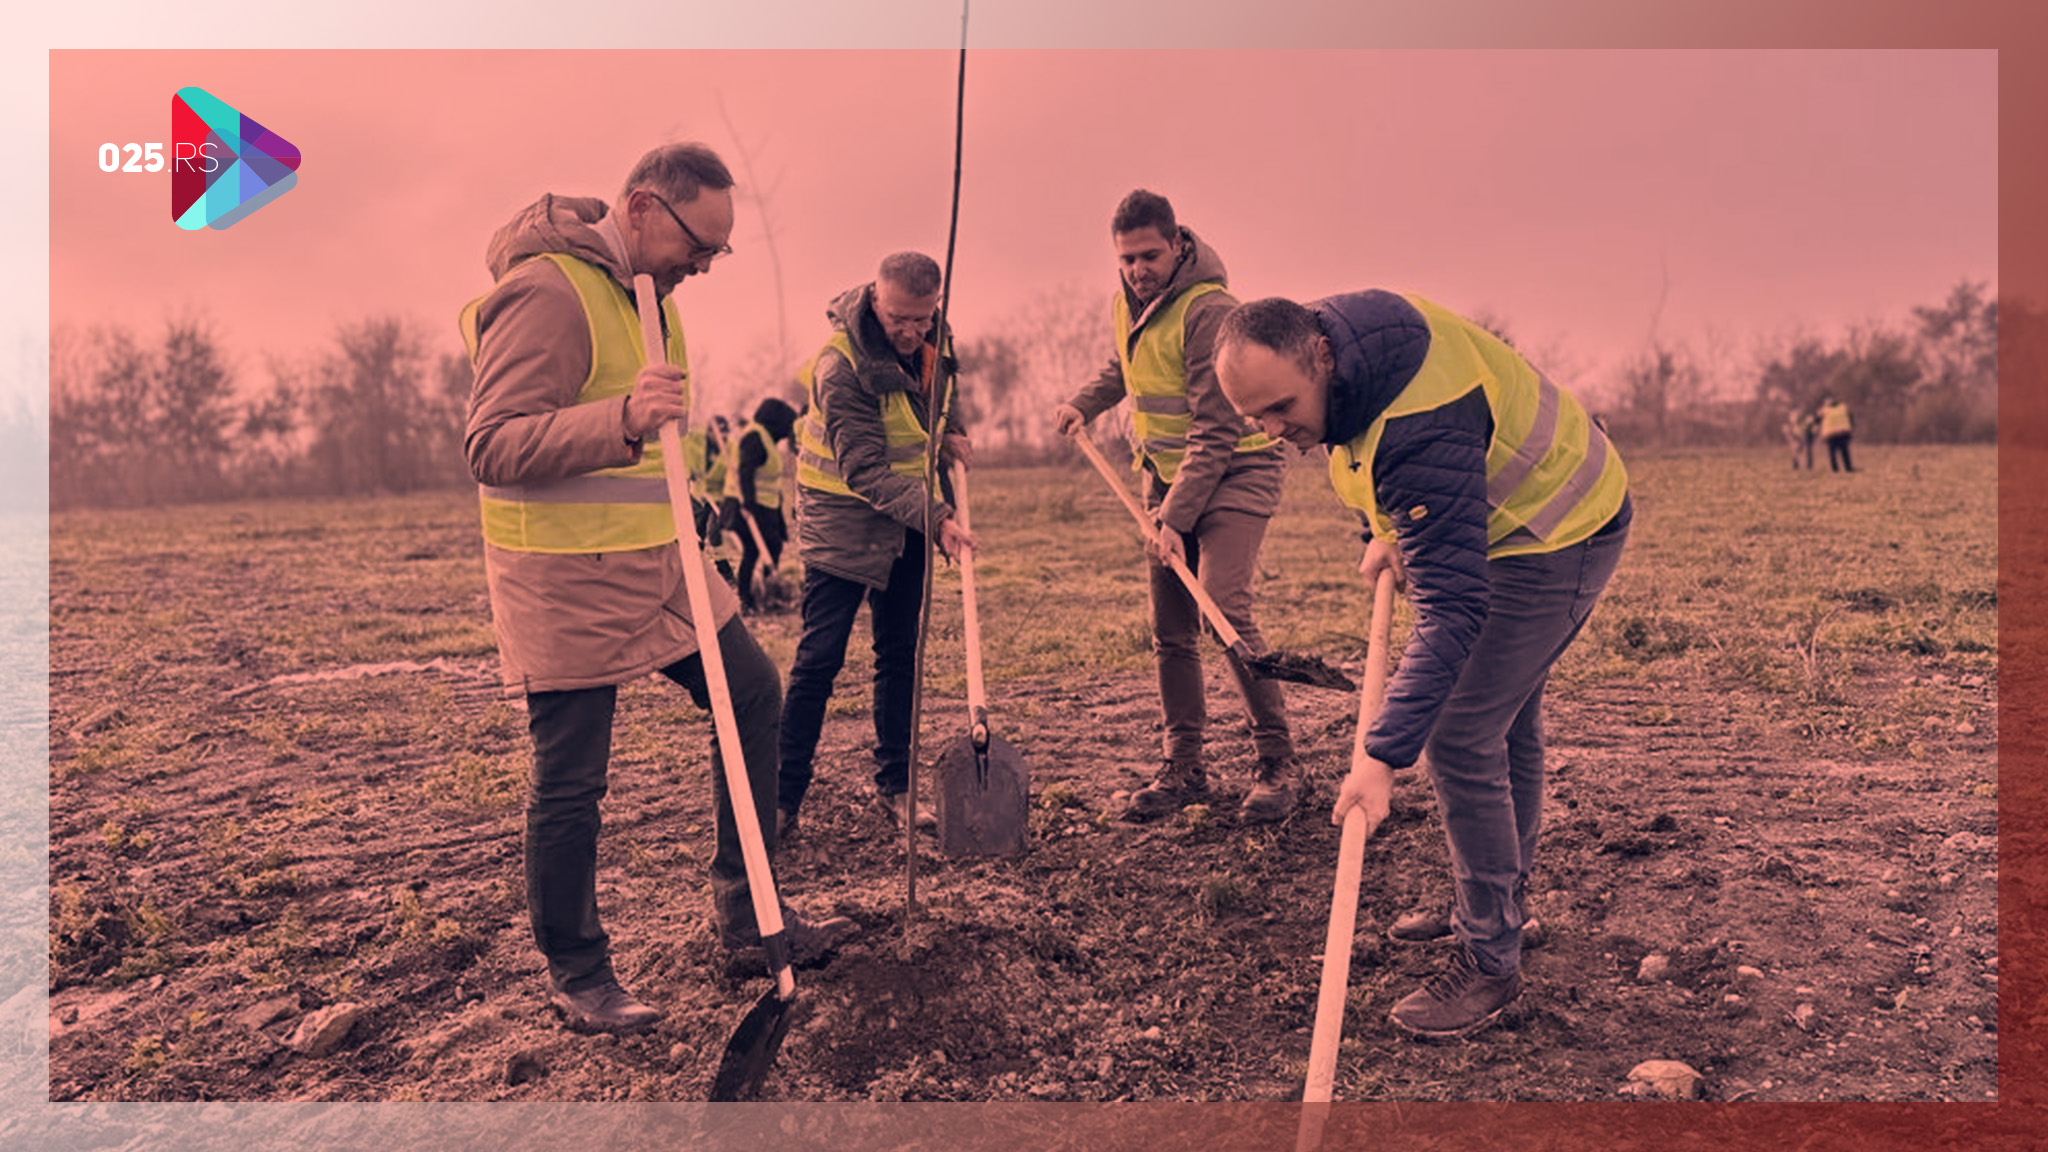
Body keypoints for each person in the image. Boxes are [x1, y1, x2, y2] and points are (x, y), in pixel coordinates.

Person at [461, 143, 854, 1036]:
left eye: (718, 252)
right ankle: (579, 972)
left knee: (753, 694)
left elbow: (664, 447)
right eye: (697, 244)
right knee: (572, 779)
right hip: (565, 576)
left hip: (662, 564)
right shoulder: (549, 292)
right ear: (640, 207)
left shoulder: (651, 296)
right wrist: (622, 420)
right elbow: (491, 443)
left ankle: (752, 918)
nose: (704, 266)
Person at [1214, 291, 1631, 1039]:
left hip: (1562, 526)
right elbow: (1372, 462)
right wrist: (1385, 530)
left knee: (1465, 731)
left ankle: (1491, 959)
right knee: (1503, 718)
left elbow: (1452, 612)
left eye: (1281, 408)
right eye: (1256, 421)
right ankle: (1496, 902)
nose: (1275, 432)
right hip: (1503, 523)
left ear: (1322, 357)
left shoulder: (1415, 420)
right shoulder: (1342, 364)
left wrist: (1379, 757)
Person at [1052, 190, 1302, 824]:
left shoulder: (1209, 311)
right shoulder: (1129, 303)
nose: (1138, 269)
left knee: (1223, 604)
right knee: (1171, 626)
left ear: (1179, 245)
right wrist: (1085, 401)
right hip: (1165, 477)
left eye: (1150, 256)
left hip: (1238, 470)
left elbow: (1216, 433)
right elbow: (1126, 366)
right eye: (1128, 258)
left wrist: (1173, 520)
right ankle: (1185, 765)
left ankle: (1278, 761)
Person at [778, 252, 976, 837]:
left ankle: (897, 786)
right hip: (840, 519)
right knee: (819, 661)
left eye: (923, 319)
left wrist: (952, 431)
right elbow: (864, 469)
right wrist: (938, 516)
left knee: (900, 654)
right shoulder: (842, 367)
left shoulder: (933, 336)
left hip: (907, 519)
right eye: (899, 320)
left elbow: (938, 394)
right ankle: (782, 798)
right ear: (874, 300)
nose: (912, 332)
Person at [720, 396, 799, 611]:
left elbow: (770, 480)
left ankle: (766, 592)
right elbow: (745, 473)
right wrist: (749, 506)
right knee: (753, 550)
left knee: (772, 547)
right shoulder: (754, 437)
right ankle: (746, 599)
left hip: (766, 507)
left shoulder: (767, 440)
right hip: (746, 507)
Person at [1818, 394, 1855, 472]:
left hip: (1830, 434)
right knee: (1844, 452)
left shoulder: (1824, 410)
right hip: (1842, 432)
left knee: (1832, 453)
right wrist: (1851, 429)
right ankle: (1848, 467)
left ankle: (1834, 469)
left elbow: (1817, 420)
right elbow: (1850, 418)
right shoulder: (1843, 407)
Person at [1783, 405, 1817, 469]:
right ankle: (1796, 463)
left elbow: (1804, 426)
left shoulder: (1800, 421)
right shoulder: (1791, 421)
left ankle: (1797, 462)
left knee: (1799, 450)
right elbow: (1788, 428)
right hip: (1794, 436)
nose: (1794, 416)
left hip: (1799, 437)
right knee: (1796, 449)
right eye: (1793, 415)